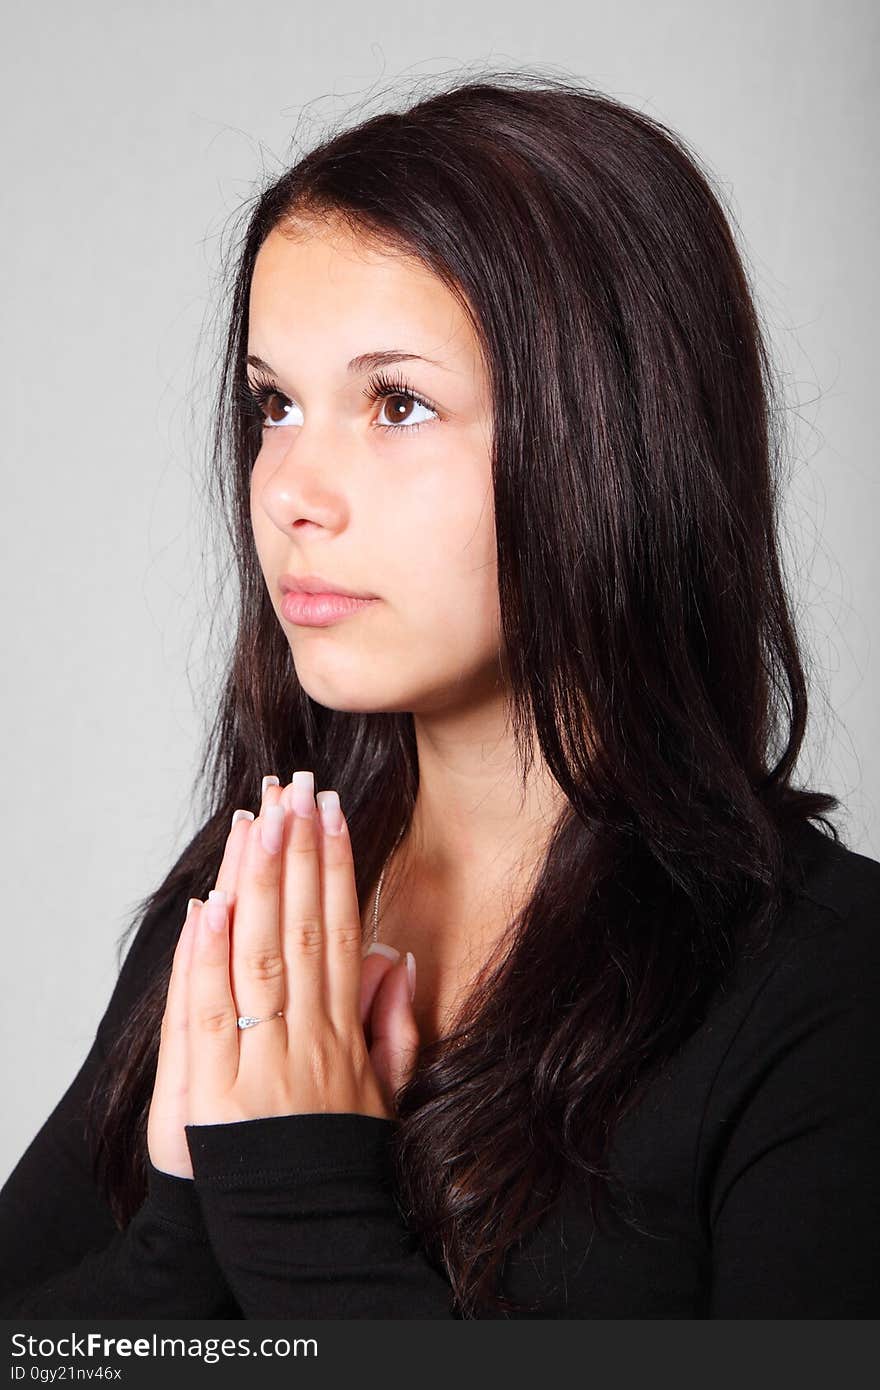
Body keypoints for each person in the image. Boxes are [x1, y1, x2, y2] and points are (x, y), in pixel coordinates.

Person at [1, 71, 878, 1320]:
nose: (291, 489)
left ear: (612, 436)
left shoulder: (823, 990)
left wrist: (299, 1198)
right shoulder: (244, 916)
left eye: (396, 402)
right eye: (275, 404)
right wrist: (185, 1235)